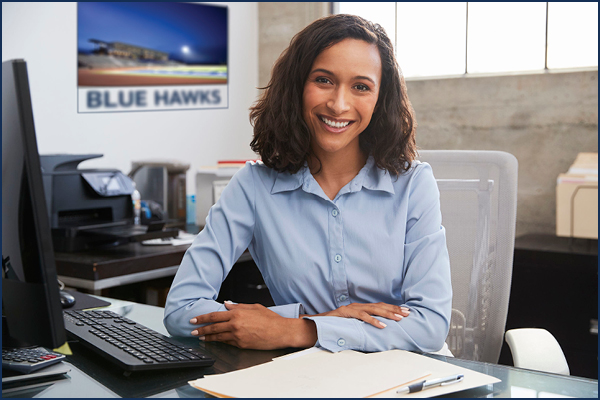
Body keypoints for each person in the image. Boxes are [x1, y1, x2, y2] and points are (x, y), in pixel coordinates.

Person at [163, 14, 452, 354]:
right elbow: (181, 310)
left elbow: (430, 326)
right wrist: (323, 321)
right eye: (324, 80)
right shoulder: (254, 186)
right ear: (297, 85)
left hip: (412, 376)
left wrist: (302, 329)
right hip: (311, 378)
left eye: (361, 86)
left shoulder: (413, 184)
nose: (339, 104)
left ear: (379, 98)